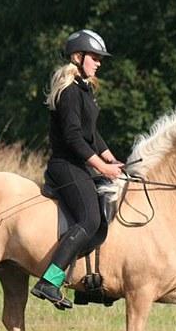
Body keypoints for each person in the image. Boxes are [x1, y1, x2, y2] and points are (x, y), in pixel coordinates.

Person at [30, 29, 124, 310]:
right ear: (77, 57)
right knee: (89, 221)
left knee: (103, 217)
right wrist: (101, 167)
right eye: (94, 57)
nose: (98, 63)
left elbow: (92, 135)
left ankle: (84, 286)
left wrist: (112, 160)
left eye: (99, 58)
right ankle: (50, 280)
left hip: (80, 165)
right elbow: (72, 138)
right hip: (66, 167)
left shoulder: (85, 90)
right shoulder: (70, 92)